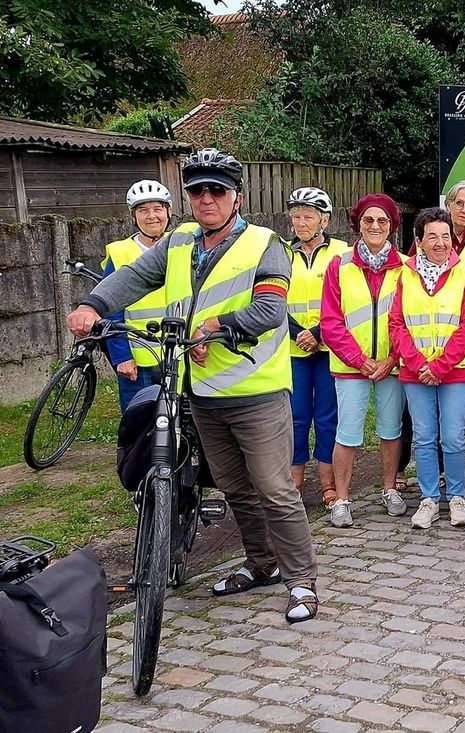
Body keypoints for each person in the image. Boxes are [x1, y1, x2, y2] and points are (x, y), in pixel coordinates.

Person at [68, 148, 319, 623]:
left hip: (256, 393)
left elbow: (269, 310)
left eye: (217, 190)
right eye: (197, 190)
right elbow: (135, 276)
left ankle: (302, 581)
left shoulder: (264, 244)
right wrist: (92, 304)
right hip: (200, 392)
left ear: (236, 197)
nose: (206, 198)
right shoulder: (180, 240)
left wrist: (214, 327)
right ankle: (261, 564)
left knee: (274, 489)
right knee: (234, 487)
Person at [391, 208, 465, 529]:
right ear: (419, 241)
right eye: (432, 237)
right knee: (424, 437)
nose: (440, 242)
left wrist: (440, 366)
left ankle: (457, 497)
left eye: (445, 236)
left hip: (455, 371)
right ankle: (429, 499)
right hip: (415, 372)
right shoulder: (405, 275)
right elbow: (396, 323)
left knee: (453, 436)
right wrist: (419, 365)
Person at [321, 193, 406, 528]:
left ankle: (389, 488)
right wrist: (359, 360)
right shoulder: (339, 265)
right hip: (350, 366)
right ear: (358, 224)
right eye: (368, 220)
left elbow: (412, 319)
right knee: (347, 433)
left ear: (391, 226)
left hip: (391, 365)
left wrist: (392, 358)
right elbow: (330, 322)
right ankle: (342, 499)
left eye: (382, 220)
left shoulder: (406, 267)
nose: (375, 226)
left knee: (391, 429)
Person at [285, 187, 348, 507]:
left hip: (329, 348)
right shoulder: (282, 252)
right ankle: (294, 482)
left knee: (327, 416)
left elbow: (349, 298)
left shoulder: (342, 252)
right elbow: (273, 298)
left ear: (324, 220)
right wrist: (299, 333)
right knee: (295, 417)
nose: (301, 223)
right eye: (296, 217)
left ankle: (328, 481)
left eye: (308, 217)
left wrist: (319, 332)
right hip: (294, 347)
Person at [101, 180, 173, 412]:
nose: (151, 216)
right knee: (139, 422)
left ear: (169, 212)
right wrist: (121, 356)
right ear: (133, 216)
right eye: (143, 210)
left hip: (180, 355)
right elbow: (111, 309)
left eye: (157, 209)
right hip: (140, 361)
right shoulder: (120, 253)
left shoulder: (184, 246)